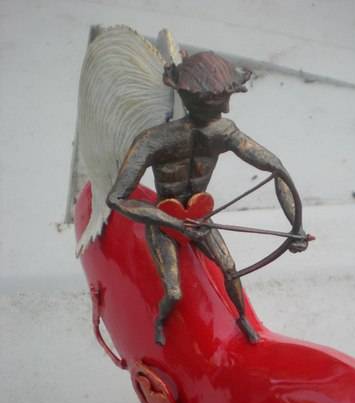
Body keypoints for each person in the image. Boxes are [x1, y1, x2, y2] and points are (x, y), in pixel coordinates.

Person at [107, 51, 310, 346]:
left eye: (227, 99)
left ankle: (242, 318)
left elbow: (276, 170)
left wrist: (296, 225)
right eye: (219, 102)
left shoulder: (224, 132)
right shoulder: (153, 139)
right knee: (174, 292)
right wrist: (172, 223)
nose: (226, 108)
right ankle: (161, 321)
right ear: (195, 100)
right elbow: (117, 198)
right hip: (164, 219)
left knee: (230, 269)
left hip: (199, 216)